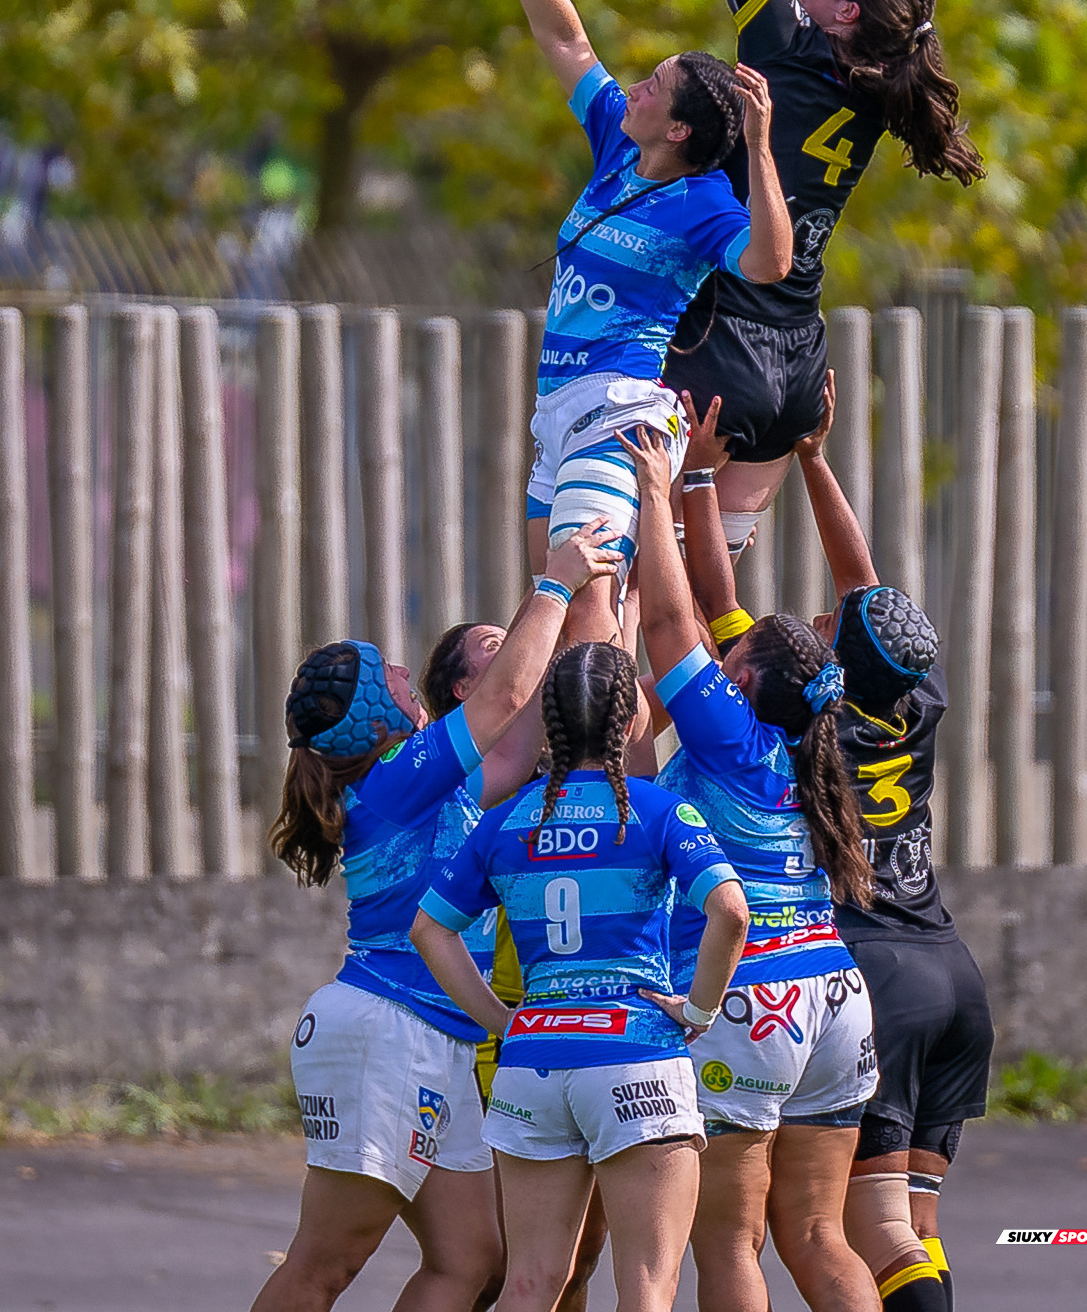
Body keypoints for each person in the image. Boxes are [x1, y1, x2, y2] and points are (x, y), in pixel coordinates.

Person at [663, 0, 985, 562]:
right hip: (793, 365)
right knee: (707, 624)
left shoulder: (781, 49)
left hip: (718, 343)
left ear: (845, 15)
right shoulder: (880, 85)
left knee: (643, 612)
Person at [251, 524, 620, 1312]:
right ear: (376, 714)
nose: (400, 666)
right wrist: (551, 582)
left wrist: (591, 596)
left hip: (435, 1037)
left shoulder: (428, 783)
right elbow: (504, 698)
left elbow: (521, 734)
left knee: (473, 1261)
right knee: (325, 1265)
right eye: (383, 668)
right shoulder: (393, 778)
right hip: (384, 1031)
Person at [449, 0, 792, 647]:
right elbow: (563, 37)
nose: (631, 86)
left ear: (678, 130)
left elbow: (771, 263)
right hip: (556, 418)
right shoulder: (615, 144)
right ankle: (580, 760)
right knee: (552, 613)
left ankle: (602, 767)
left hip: (620, 416)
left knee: (584, 614)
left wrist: (763, 147)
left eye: (652, 85)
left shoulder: (705, 202)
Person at [622, 424, 881, 1312]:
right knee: (819, 1234)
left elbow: (664, 624)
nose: (716, 661)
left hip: (748, 997)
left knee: (729, 1240)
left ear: (741, 680)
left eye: (729, 660)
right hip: (834, 995)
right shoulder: (811, 741)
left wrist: (657, 491)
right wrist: (694, 483)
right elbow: (698, 619)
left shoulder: (728, 736)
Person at [412, 641, 751, 1312]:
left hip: (532, 1059)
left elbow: (429, 929)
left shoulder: (505, 821)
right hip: (636, 1056)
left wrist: (502, 1022)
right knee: (647, 1284)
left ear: (546, 720)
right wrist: (699, 1011)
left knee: (530, 1283)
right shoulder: (657, 812)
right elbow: (730, 914)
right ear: (631, 723)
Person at [793, 382, 995, 1312]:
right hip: (952, 973)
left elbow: (847, 595)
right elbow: (862, 585)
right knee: (915, 1229)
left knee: (871, 1230)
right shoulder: (922, 700)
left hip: (876, 975)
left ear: (838, 656)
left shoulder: (811, 721)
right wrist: (814, 459)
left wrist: (708, 486)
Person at [420, 621, 611, 1312]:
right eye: (493, 647)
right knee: (509, 1263)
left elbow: (617, 680)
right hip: (502, 1035)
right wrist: (567, 586)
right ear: (466, 690)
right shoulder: (474, 785)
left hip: (598, 1033)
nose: (522, 650)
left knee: (576, 1257)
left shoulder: (576, 772)